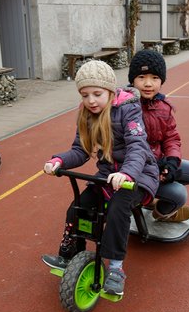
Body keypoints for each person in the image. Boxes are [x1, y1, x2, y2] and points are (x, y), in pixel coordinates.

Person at [42, 60, 159, 295]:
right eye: (85, 95)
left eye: (97, 94)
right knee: (79, 206)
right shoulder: (86, 114)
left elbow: (138, 147)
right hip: (107, 176)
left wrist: (126, 173)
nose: (91, 100)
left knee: (117, 207)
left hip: (140, 174)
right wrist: (59, 160)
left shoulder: (128, 109)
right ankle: (72, 252)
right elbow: (80, 150)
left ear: (110, 91)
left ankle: (116, 267)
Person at [128, 49, 189, 221]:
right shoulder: (126, 107)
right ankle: (163, 213)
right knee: (179, 194)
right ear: (132, 80)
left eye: (155, 78)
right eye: (142, 77)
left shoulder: (163, 106)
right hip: (138, 169)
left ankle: (155, 204)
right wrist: (154, 167)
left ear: (161, 81)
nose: (148, 84)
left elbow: (171, 138)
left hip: (159, 162)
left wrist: (170, 162)